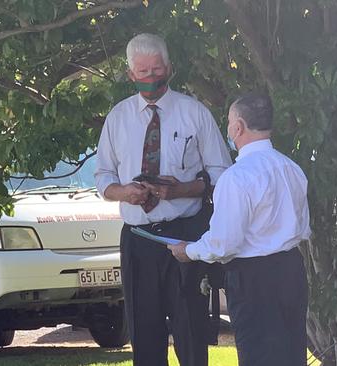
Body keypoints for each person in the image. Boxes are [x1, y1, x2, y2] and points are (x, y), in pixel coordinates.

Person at [94, 33, 232, 366]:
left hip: (184, 235)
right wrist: (125, 193)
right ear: (130, 74)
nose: (151, 78)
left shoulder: (194, 113)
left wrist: (182, 189)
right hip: (139, 238)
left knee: (191, 332)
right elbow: (103, 178)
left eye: (157, 70)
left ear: (169, 67)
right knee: (144, 333)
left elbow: (223, 173)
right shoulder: (118, 117)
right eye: (143, 72)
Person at [169, 93, 312, 366]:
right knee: (291, 355)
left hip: (252, 277)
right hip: (291, 269)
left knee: (257, 355)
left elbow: (225, 242)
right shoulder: (291, 168)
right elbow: (303, 226)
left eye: (230, 121)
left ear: (238, 127)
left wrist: (190, 251)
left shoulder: (236, 177)